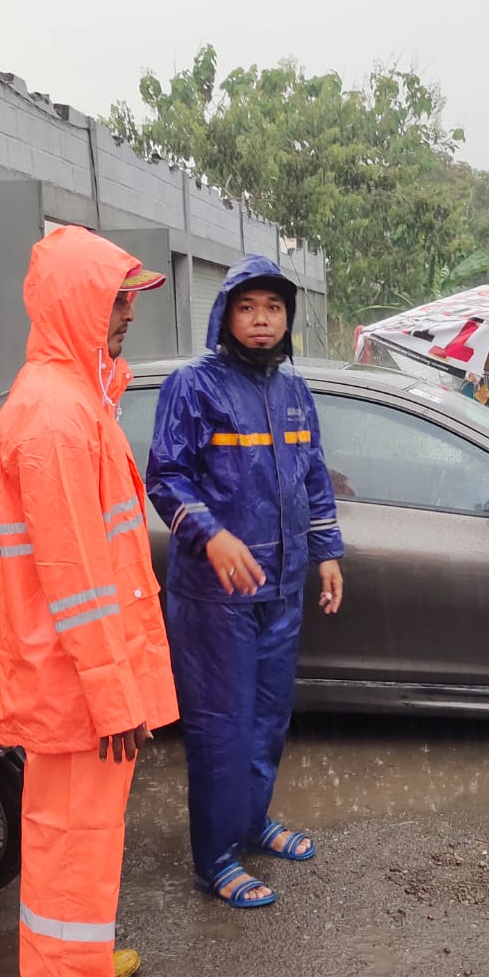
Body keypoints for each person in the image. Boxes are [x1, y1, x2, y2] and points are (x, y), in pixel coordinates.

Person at [0, 226, 178, 977]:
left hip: (81, 673)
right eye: (115, 298)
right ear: (75, 305)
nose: (127, 313)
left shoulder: (71, 398)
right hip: (77, 681)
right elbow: (75, 576)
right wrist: (114, 694)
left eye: (130, 298)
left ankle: (79, 967)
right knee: (67, 836)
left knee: (86, 832)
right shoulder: (55, 417)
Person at [145, 255, 345, 908]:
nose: (261, 321)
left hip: (282, 590)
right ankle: (215, 857)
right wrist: (212, 533)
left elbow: (313, 476)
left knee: (266, 722)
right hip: (215, 596)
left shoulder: (294, 392)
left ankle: (252, 823)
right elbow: (165, 476)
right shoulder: (192, 386)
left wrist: (327, 554)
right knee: (220, 730)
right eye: (247, 308)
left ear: (287, 320)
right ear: (225, 315)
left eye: (274, 309)